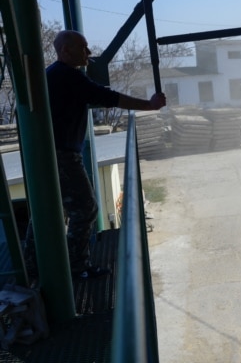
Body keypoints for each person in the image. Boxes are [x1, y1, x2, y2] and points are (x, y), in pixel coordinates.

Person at [25, 30, 167, 281]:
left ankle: (32, 268)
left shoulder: (53, 75)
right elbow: (109, 97)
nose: (89, 53)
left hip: (48, 154)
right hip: (63, 155)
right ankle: (76, 267)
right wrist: (149, 104)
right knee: (85, 208)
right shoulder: (68, 76)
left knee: (47, 210)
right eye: (83, 47)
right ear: (65, 51)